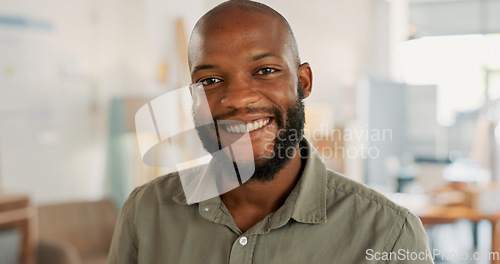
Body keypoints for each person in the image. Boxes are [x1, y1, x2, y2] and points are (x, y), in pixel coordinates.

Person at [109, 1, 434, 263]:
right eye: (210, 80)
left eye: (265, 71)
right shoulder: (146, 210)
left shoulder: (388, 234)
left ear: (302, 82)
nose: (237, 98)